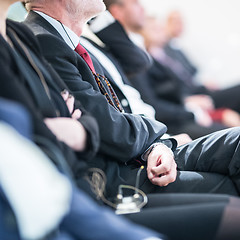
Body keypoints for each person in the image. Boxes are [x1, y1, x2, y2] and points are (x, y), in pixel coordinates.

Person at [101, 0, 240, 138]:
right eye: (135, 3)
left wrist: (190, 103)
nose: (142, 8)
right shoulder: (129, 54)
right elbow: (152, 103)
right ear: (117, 11)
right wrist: (192, 111)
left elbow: (175, 88)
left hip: (180, 108)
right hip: (170, 121)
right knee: (232, 135)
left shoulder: (142, 52)